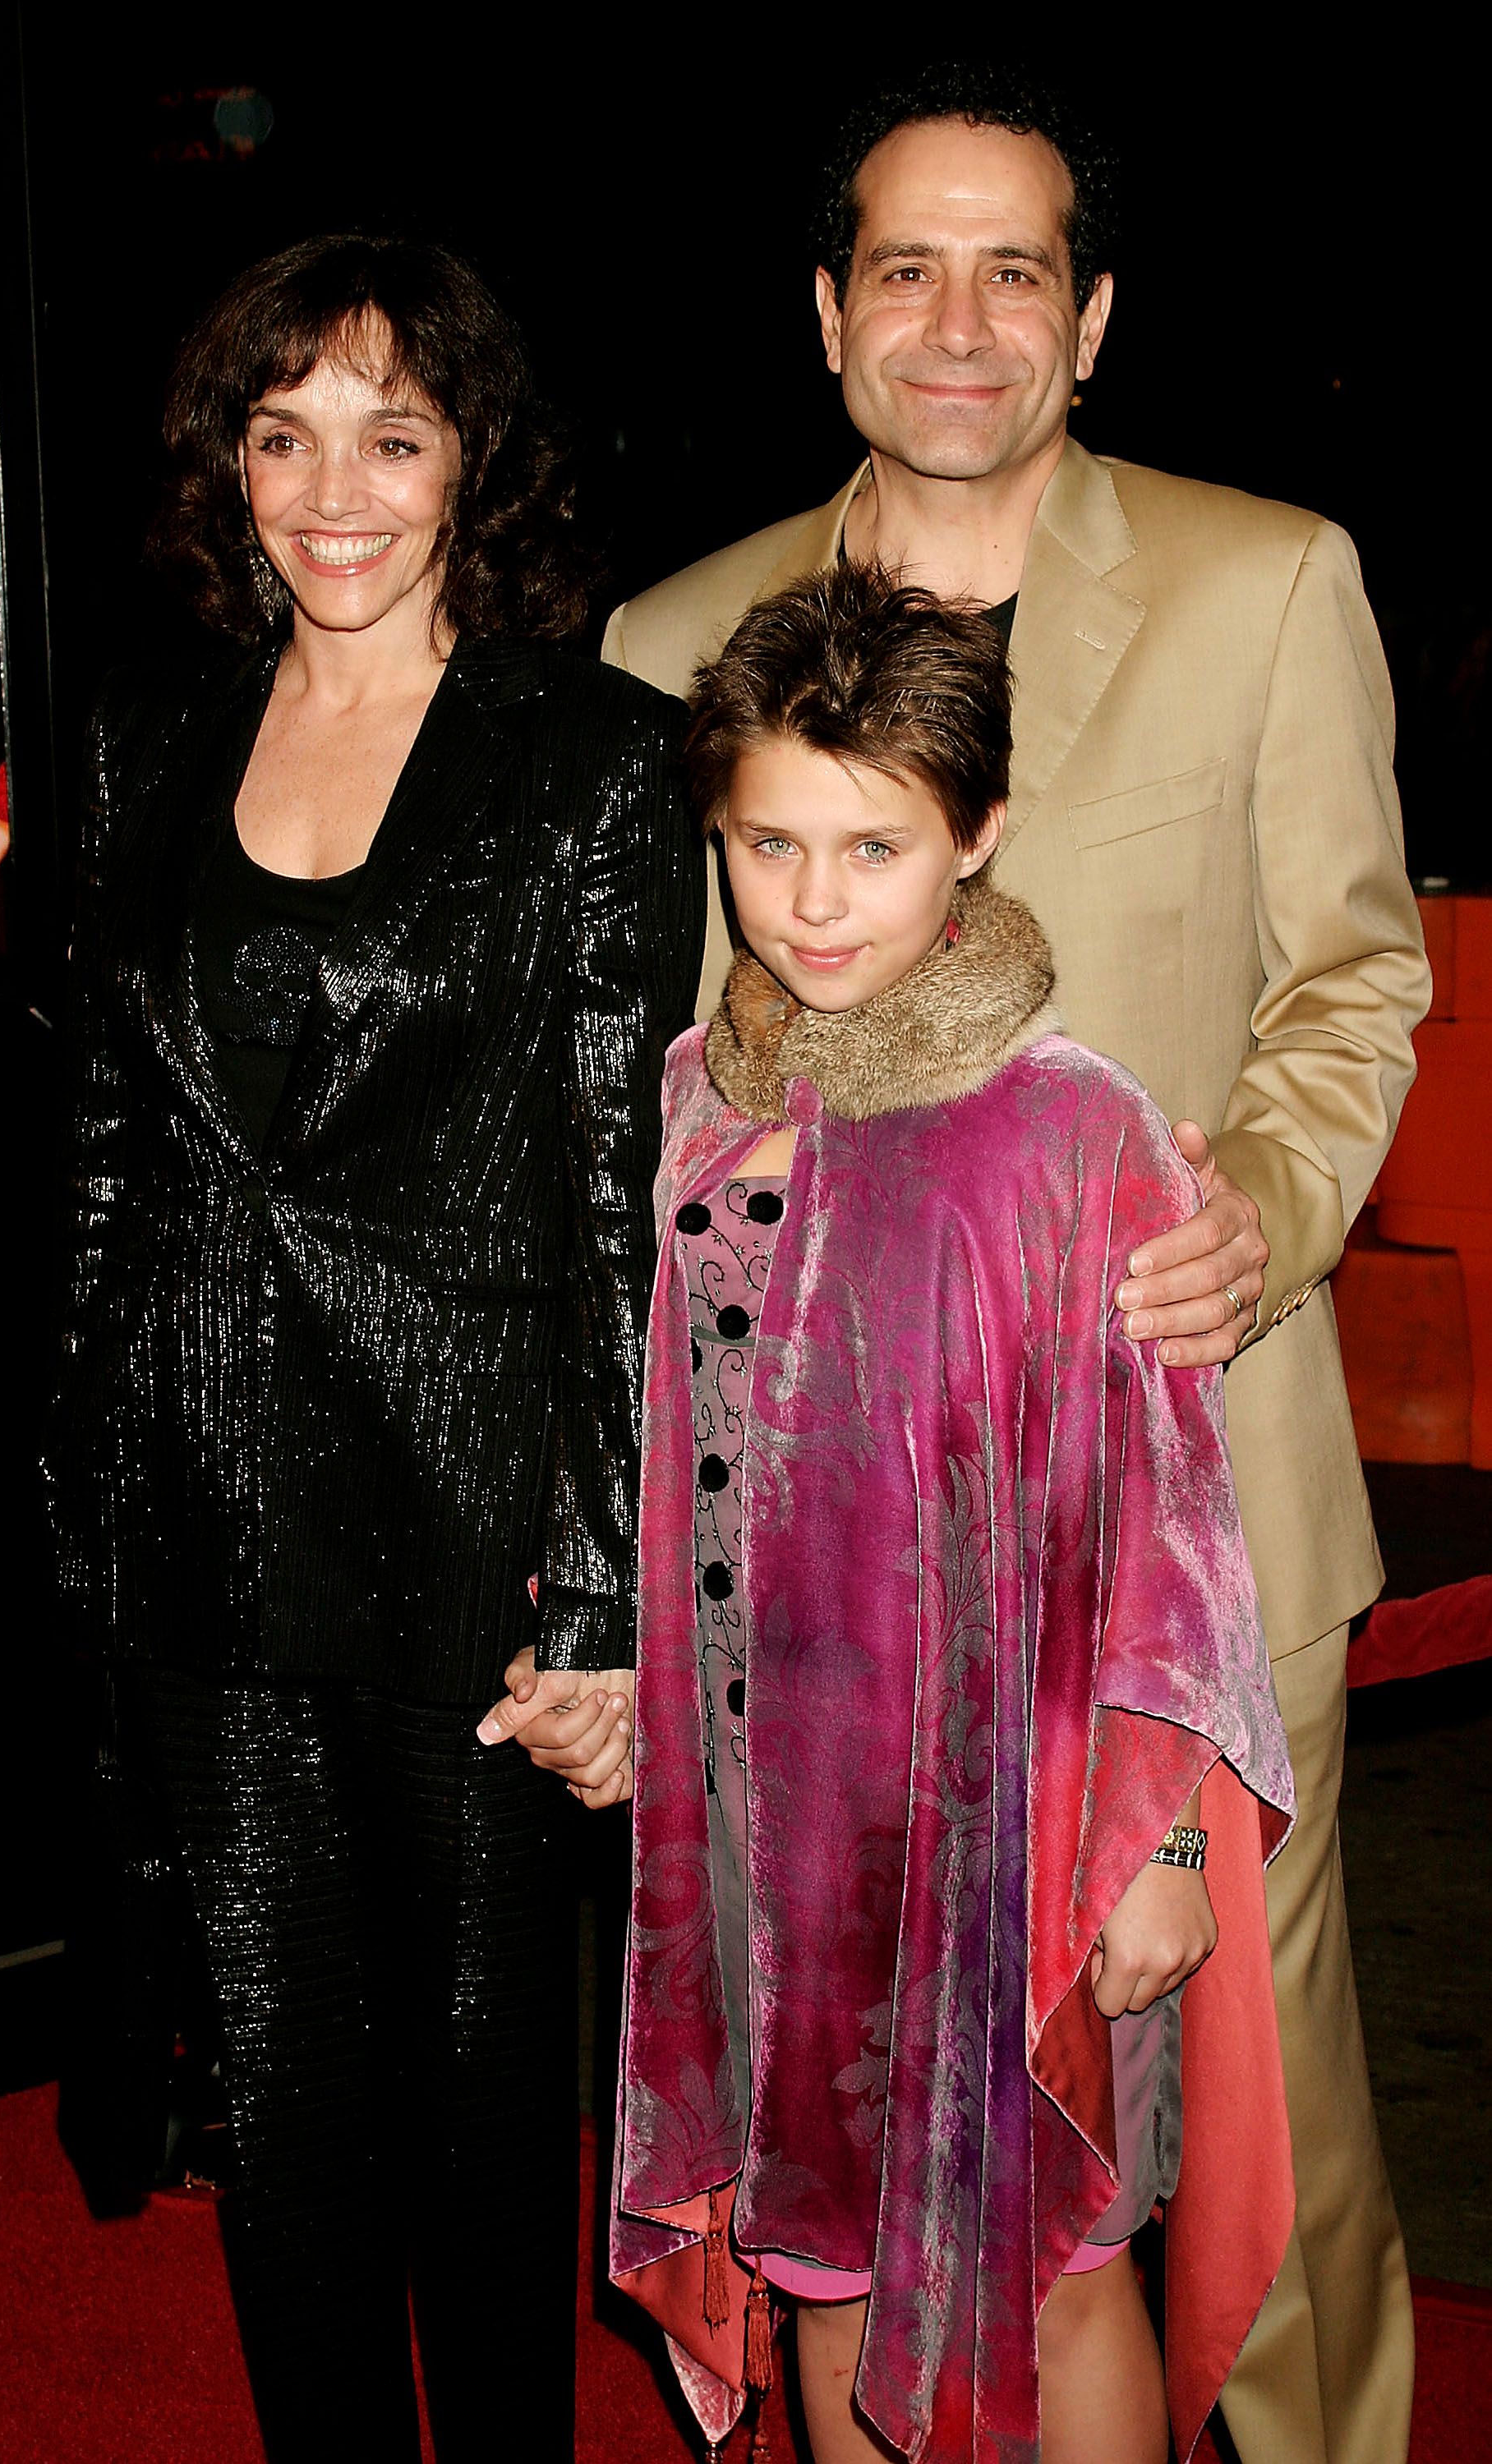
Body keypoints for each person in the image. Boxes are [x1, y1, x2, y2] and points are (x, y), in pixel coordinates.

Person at [595, 66, 1430, 2464]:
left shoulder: (1271, 579)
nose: (956, 321)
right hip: (839, 1601)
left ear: (1087, 325)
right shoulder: (675, 638)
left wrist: (1252, 1220)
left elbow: (1350, 979)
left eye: (1014, 271)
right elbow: (676, 1106)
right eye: (902, 268)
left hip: (1189, 1516)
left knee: (1254, 2156)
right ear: (827, 316)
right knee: (850, 2154)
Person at [48, 232, 701, 2464]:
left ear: (469, 470)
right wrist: (78, 1506)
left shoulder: (590, 761)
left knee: (479, 2131)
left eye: (390, 437)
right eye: (282, 432)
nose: (334, 490)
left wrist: (614, 1597)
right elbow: (108, 1156)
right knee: (283, 2110)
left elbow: (625, 1195)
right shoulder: (145, 742)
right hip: (204, 1529)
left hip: (475, 1552)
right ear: (226, 470)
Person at [598, 562, 1293, 2464]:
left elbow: (1176, 1522)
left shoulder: (1073, 1127)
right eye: (769, 844)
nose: (817, 902)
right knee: (820, 2253)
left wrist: (1155, 1856)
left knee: (1053, 2267)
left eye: (875, 847)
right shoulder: (690, 1107)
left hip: (1027, 1828)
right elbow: (652, 1451)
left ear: (975, 834)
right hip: (781, 1847)